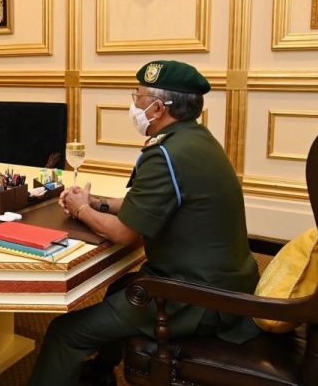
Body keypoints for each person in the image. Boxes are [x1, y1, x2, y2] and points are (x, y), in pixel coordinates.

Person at [28, 60, 260, 386]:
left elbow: (125, 234)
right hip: (225, 283)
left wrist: (81, 210)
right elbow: (150, 204)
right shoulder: (194, 139)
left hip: (196, 299)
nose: (134, 104)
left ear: (158, 108)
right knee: (119, 288)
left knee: (64, 332)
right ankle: (99, 373)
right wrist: (98, 203)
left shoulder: (165, 154)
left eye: (138, 97)